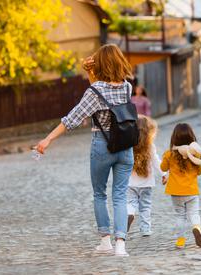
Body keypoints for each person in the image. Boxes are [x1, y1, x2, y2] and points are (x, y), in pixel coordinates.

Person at [35, 44, 134, 256]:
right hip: (125, 146)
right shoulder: (127, 87)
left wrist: (48, 139)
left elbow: (72, 118)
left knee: (99, 193)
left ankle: (105, 241)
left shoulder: (94, 91)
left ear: (101, 64)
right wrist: (90, 73)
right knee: (119, 196)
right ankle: (120, 246)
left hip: (103, 145)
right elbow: (102, 94)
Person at [160, 123, 201, 249]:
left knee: (180, 215)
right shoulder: (194, 155)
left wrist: (166, 159)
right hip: (191, 192)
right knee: (194, 213)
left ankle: (180, 241)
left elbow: (162, 167)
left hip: (176, 192)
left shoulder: (169, 154)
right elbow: (199, 171)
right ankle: (196, 228)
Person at [127, 115, 165, 236]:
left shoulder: (128, 145)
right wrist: (164, 173)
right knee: (145, 206)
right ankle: (145, 229)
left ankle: (130, 213)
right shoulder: (150, 146)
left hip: (130, 182)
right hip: (146, 183)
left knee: (131, 202)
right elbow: (156, 162)